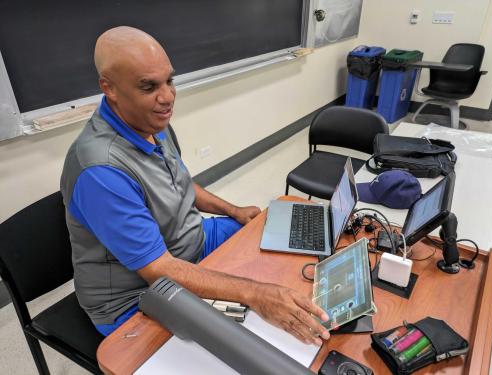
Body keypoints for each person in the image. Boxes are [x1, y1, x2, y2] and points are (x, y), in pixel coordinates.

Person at [60, 26, 330, 345]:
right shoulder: (100, 171)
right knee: (249, 338)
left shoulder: (150, 122)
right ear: (110, 88)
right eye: (149, 87)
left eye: (169, 81)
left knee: (277, 237)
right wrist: (256, 294)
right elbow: (159, 269)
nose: (167, 97)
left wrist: (234, 210)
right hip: (135, 296)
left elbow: (180, 182)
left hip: (191, 244)